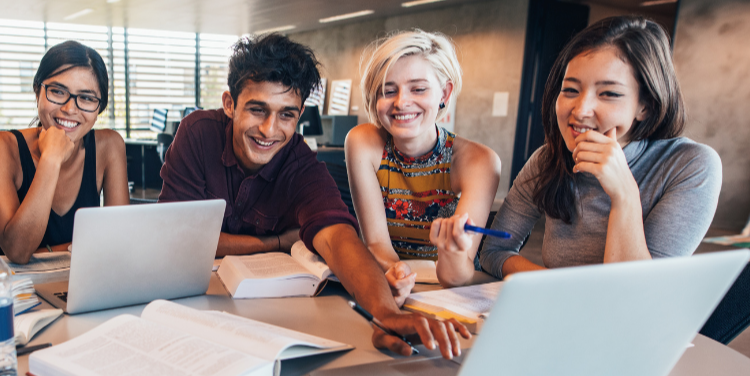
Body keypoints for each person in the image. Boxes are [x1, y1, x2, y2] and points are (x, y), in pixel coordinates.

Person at [158, 33, 470, 359]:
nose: (269, 129)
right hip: (188, 304)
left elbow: (337, 237)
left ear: (300, 114)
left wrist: (386, 313)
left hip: (259, 312)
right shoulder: (197, 133)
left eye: (286, 114)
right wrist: (275, 242)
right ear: (229, 104)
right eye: (257, 109)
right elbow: (178, 237)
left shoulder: (299, 162)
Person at [434, 16, 722, 279]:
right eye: (570, 90)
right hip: (562, 316)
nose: (581, 110)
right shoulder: (548, 159)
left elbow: (636, 293)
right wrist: (557, 287)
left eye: (609, 94)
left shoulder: (691, 165)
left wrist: (623, 194)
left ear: (645, 106)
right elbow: (493, 252)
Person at [346, 30, 501, 299]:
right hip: (391, 286)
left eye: (418, 89)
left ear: (445, 92)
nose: (401, 102)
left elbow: (458, 276)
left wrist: (451, 251)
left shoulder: (479, 161)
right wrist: (397, 273)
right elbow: (377, 243)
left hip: (453, 296)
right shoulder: (362, 142)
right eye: (388, 90)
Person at [0, 41, 129, 264]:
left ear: (100, 107)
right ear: (37, 91)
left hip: (82, 286)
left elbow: (118, 244)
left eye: (87, 98)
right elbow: (18, 251)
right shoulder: (6, 148)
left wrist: (42, 253)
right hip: (18, 294)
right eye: (58, 92)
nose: (70, 109)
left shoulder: (109, 146)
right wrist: (51, 158)